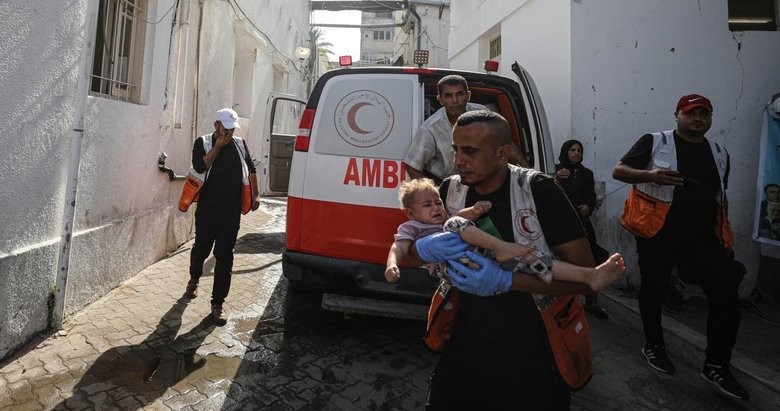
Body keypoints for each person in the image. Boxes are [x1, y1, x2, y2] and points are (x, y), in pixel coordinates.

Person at [408, 110, 615, 409]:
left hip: (534, 351)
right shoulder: (449, 191)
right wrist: (425, 250)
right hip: (464, 345)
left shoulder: (539, 192)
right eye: (455, 150)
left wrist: (505, 282)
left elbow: (585, 280)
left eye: (470, 151)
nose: (457, 161)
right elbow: (411, 254)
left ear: (502, 153)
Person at [612, 94, 749, 400]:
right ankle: (654, 344)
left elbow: (718, 198)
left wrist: (723, 240)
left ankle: (716, 363)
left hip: (701, 238)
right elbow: (619, 171)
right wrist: (650, 176)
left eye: (704, 113)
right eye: (690, 113)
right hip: (656, 233)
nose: (697, 118)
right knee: (653, 289)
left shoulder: (719, 153)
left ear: (710, 118)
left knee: (726, 291)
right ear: (677, 115)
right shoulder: (655, 142)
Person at [385, 178, 625, 291]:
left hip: (483, 260)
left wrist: (475, 210)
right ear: (411, 213)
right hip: (455, 270)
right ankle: (501, 246)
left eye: (437, 202)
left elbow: (461, 218)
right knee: (455, 223)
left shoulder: (446, 218)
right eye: (427, 205)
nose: (436, 208)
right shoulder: (413, 228)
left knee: (534, 259)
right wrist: (392, 265)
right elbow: (399, 248)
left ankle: (590, 275)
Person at [184, 108, 260, 325]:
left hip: (231, 211)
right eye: (226, 128)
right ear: (216, 124)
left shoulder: (239, 144)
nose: (230, 132)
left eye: (232, 128)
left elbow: (251, 168)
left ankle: (218, 304)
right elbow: (200, 166)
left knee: (225, 256)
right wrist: (218, 147)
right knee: (201, 247)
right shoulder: (204, 143)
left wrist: (256, 194)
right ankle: (194, 277)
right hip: (208, 209)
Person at [554, 139, 611, 319]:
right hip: (561, 222)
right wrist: (555, 179)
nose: (576, 153)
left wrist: (588, 206)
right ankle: (563, 302)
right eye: (572, 150)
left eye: (579, 150)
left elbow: (591, 197)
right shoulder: (556, 171)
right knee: (561, 261)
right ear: (565, 152)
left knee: (590, 259)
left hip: (582, 222)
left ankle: (591, 301)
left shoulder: (587, 174)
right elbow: (548, 195)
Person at [403, 75, 487, 184]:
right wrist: (432, 195)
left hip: (483, 181)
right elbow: (412, 165)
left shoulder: (483, 113)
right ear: (440, 100)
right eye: (448, 96)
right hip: (449, 184)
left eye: (459, 94)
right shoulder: (431, 128)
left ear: (468, 96)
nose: (455, 100)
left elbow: (503, 141)